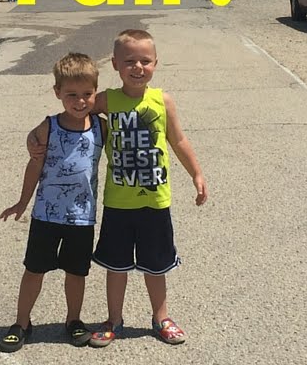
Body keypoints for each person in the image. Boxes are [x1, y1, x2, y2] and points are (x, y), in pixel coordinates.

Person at [28, 29, 208, 348]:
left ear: (156, 63)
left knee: (156, 265)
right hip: (119, 202)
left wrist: (196, 173)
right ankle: (114, 319)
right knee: (116, 266)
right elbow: (74, 108)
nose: (138, 67)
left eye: (145, 61)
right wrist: (36, 134)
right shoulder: (106, 100)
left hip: (155, 200)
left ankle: (161, 317)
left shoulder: (162, 100)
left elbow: (178, 140)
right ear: (115, 64)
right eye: (129, 61)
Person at [0, 53, 105, 353]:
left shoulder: (101, 127)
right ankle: (21, 323)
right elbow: (35, 164)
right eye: (71, 94)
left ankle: (73, 320)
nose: (80, 101)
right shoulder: (49, 127)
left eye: (87, 94)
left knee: (77, 272)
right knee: (34, 269)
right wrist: (22, 202)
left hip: (82, 217)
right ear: (57, 92)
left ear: (95, 93)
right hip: (46, 215)